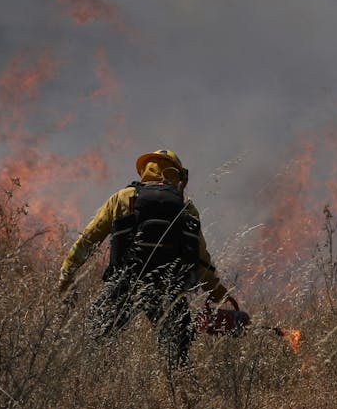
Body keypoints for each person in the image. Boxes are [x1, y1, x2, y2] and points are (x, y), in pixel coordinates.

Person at [58, 149, 230, 367]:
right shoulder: (186, 207)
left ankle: (89, 382)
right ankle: (179, 392)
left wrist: (68, 271)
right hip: (169, 288)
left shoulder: (122, 198)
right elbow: (201, 257)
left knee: (96, 341)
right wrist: (217, 291)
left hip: (126, 281)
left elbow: (88, 239)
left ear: (145, 170)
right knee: (177, 354)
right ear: (179, 175)